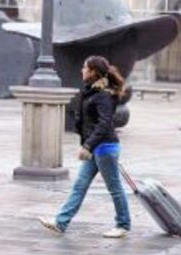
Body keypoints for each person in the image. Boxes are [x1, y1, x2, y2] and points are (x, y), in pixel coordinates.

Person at [39, 56, 131, 238]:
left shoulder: (103, 95)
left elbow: (104, 124)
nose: (81, 70)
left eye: (84, 68)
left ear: (93, 72)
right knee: (79, 187)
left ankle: (123, 224)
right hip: (97, 148)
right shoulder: (93, 91)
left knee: (114, 188)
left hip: (105, 148)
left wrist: (87, 146)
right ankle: (61, 222)